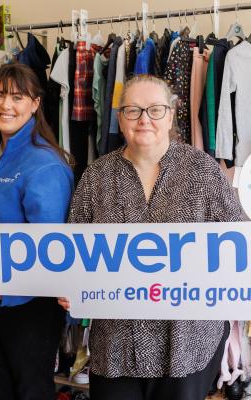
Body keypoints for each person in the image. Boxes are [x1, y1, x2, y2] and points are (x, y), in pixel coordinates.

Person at [60, 74, 242, 400]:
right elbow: (73, 249)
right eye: (133, 110)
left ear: (171, 115)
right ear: (120, 118)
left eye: (155, 110)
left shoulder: (201, 169)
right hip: (116, 346)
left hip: (188, 343)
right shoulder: (97, 176)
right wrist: (68, 286)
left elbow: (238, 238)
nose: (144, 119)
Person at [0, 63, 74, 400]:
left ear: (35, 104)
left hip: (28, 306)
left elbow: (52, 250)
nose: (6, 105)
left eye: (17, 97)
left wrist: (7, 290)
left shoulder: (46, 164)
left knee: (29, 392)